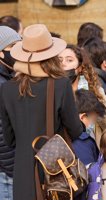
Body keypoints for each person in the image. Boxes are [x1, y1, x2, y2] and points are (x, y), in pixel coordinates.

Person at [0, 24, 83, 200]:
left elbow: (9, 139)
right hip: (54, 172)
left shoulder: (7, 89)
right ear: (52, 54)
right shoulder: (60, 84)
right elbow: (75, 130)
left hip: (23, 174)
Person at [59, 44, 106, 147]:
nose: (63, 64)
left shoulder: (94, 89)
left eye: (69, 60)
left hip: (91, 146)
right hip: (66, 148)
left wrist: (95, 106)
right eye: (60, 60)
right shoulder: (54, 91)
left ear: (79, 67)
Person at [0, 26, 21, 200]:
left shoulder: (8, 76)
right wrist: (12, 168)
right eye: (12, 46)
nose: (17, 51)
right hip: (6, 173)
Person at [72, 89, 106, 166]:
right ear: (83, 117)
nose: (93, 124)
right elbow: (89, 174)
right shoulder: (83, 142)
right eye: (93, 119)